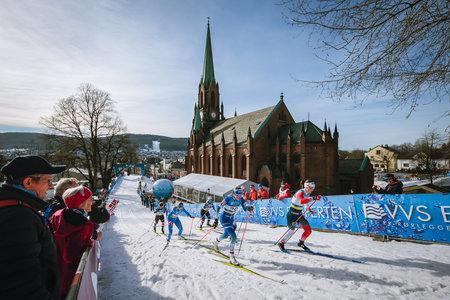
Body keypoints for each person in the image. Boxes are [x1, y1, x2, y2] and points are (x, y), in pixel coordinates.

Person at [0, 155, 65, 299]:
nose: (51, 186)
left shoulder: (18, 208)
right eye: (48, 180)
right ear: (28, 182)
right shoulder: (17, 217)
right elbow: (21, 285)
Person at [49, 185, 102, 298]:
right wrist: (93, 237)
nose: (92, 202)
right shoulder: (83, 225)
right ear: (81, 201)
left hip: (53, 270)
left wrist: (93, 231)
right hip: (71, 278)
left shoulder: (58, 215)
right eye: (90, 198)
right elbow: (71, 255)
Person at [277, 180, 322, 252]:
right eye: (311, 188)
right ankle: (281, 243)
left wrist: (309, 209)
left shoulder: (307, 193)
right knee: (291, 231)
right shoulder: (300, 192)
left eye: (313, 188)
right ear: (307, 187)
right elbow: (301, 201)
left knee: (308, 230)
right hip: (292, 214)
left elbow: (305, 203)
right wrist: (314, 198)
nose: (312, 190)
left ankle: (301, 243)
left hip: (299, 214)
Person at [213, 187, 254, 265]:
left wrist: (249, 208)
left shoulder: (241, 199)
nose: (239, 196)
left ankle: (215, 242)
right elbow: (218, 207)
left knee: (225, 235)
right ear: (234, 194)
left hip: (231, 218)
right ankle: (232, 257)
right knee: (234, 237)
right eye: (238, 194)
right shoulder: (228, 198)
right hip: (224, 218)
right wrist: (216, 218)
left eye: (241, 194)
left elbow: (245, 208)